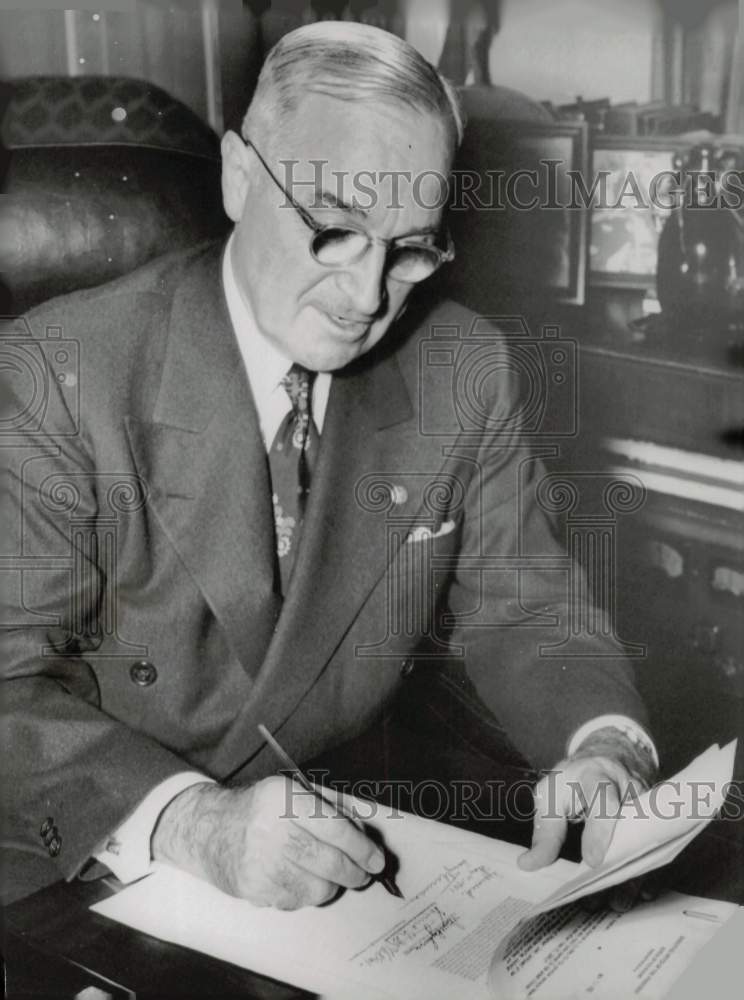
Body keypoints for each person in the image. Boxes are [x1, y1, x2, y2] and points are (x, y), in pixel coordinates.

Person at [1, 21, 657, 910]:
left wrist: (603, 745)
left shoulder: (460, 367)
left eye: (412, 248)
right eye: (336, 231)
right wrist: (195, 824)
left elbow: (529, 604)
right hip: (83, 859)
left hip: (334, 843)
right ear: (240, 177)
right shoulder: (58, 372)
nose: (366, 297)